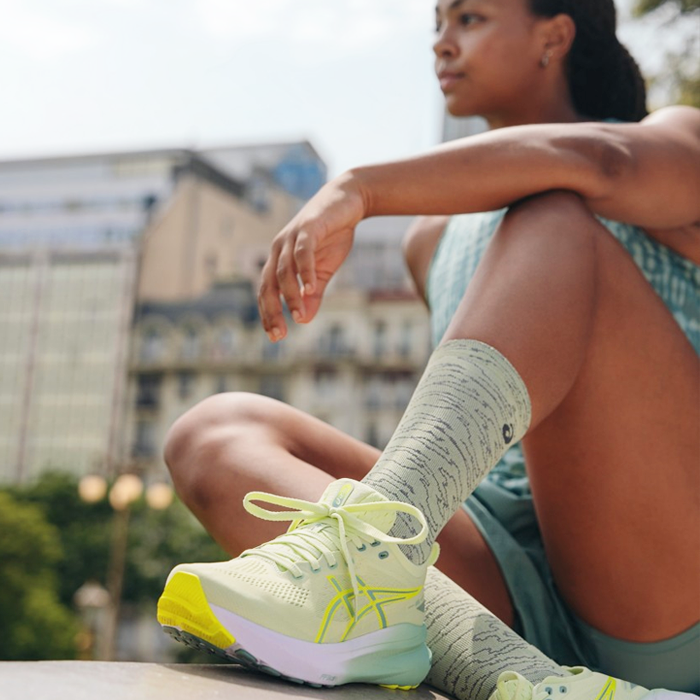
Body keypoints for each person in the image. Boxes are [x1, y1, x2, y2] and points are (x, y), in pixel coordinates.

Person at [155, 0, 700, 697]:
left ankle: (358, 558)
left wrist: (359, 187)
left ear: (553, 36)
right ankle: (529, 680)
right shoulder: (429, 240)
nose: (442, 45)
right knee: (213, 432)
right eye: (437, 25)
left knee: (552, 206)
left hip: (662, 578)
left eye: (469, 19)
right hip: (500, 584)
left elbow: (596, 160)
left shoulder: (667, 144)